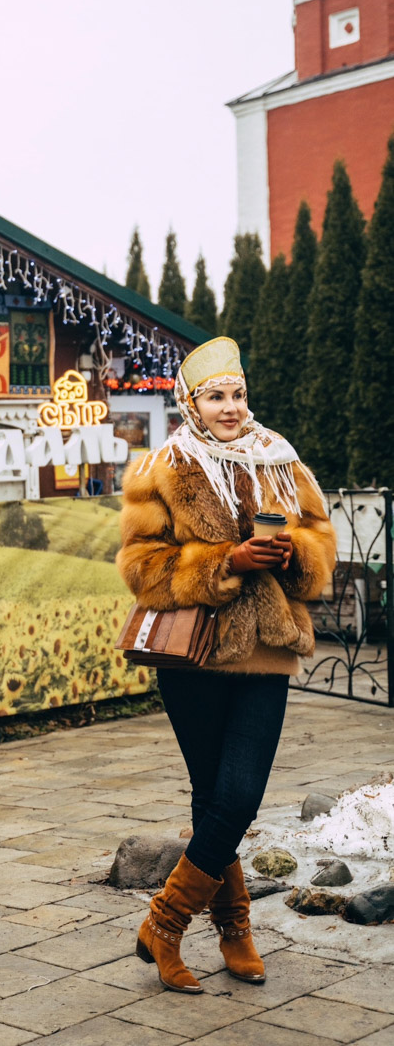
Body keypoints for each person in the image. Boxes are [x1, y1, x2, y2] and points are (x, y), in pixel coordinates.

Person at [116, 336, 336, 994]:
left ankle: (163, 923)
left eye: (237, 394)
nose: (231, 408)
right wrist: (223, 563)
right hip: (194, 656)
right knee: (215, 798)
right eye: (216, 396)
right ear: (191, 403)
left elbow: (321, 541)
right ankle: (235, 929)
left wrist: (293, 554)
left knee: (238, 795)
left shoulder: (281, 460)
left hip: (265, 651)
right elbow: (142, 569)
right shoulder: (161, 468)